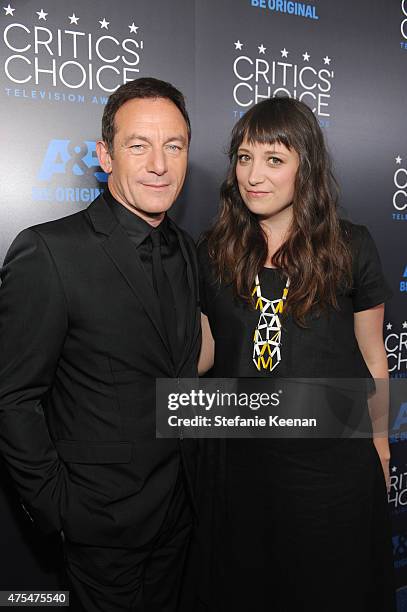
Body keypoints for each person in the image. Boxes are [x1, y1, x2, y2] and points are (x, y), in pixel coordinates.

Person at [0, 77, 201, 611]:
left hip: (182, 515)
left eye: (174, 146)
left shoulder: (188, 249)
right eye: (139, 145)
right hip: (100, 524)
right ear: (105, 155)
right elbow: (13, 397)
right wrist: (57, 509)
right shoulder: (50, 252)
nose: (159, 163)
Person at [195, 97, 395, 611]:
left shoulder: (350, 246)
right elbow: (207, 352)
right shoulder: (214, 251)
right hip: (242, 472)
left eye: (274, 159)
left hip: (332, 474)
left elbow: (374, 355)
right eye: (244, 158)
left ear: (306, 167)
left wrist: (381, 442)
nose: (253, 175)